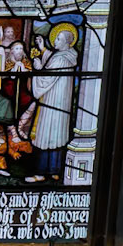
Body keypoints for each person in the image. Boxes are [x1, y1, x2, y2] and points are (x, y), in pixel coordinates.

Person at [28, 23, 79, 179]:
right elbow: (53, 62)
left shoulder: (61, 60)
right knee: (57, 134)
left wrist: (37, 68)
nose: (55, 41)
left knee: (46, 133)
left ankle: (41, 173)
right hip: (61, 103)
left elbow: (46, 78)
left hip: (52, 102)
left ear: (66, 42)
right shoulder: (69, 55)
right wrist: (43, 49)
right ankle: (55, 171)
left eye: (58, 38)